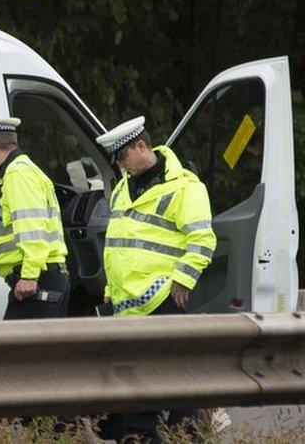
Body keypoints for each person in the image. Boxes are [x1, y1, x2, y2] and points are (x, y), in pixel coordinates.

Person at [95, 116, 217, 443]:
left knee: (171, 376)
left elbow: (203, 240)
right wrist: (110, 289)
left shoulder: (185, 187)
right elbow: (117, 244)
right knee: (140, 375)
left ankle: (184, 433)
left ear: (141, 146)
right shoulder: (123, 187)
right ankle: (147, 434)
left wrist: (183, 280)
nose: (122, 166)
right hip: (127, 301)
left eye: (123, 158)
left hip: (161, 296)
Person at [0, 115, 70, 320]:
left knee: (18, 352)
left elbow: (32, 228)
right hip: (37, 280)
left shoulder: (18, 175)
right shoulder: (16, 173)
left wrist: (29, 276)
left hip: (35, 281)